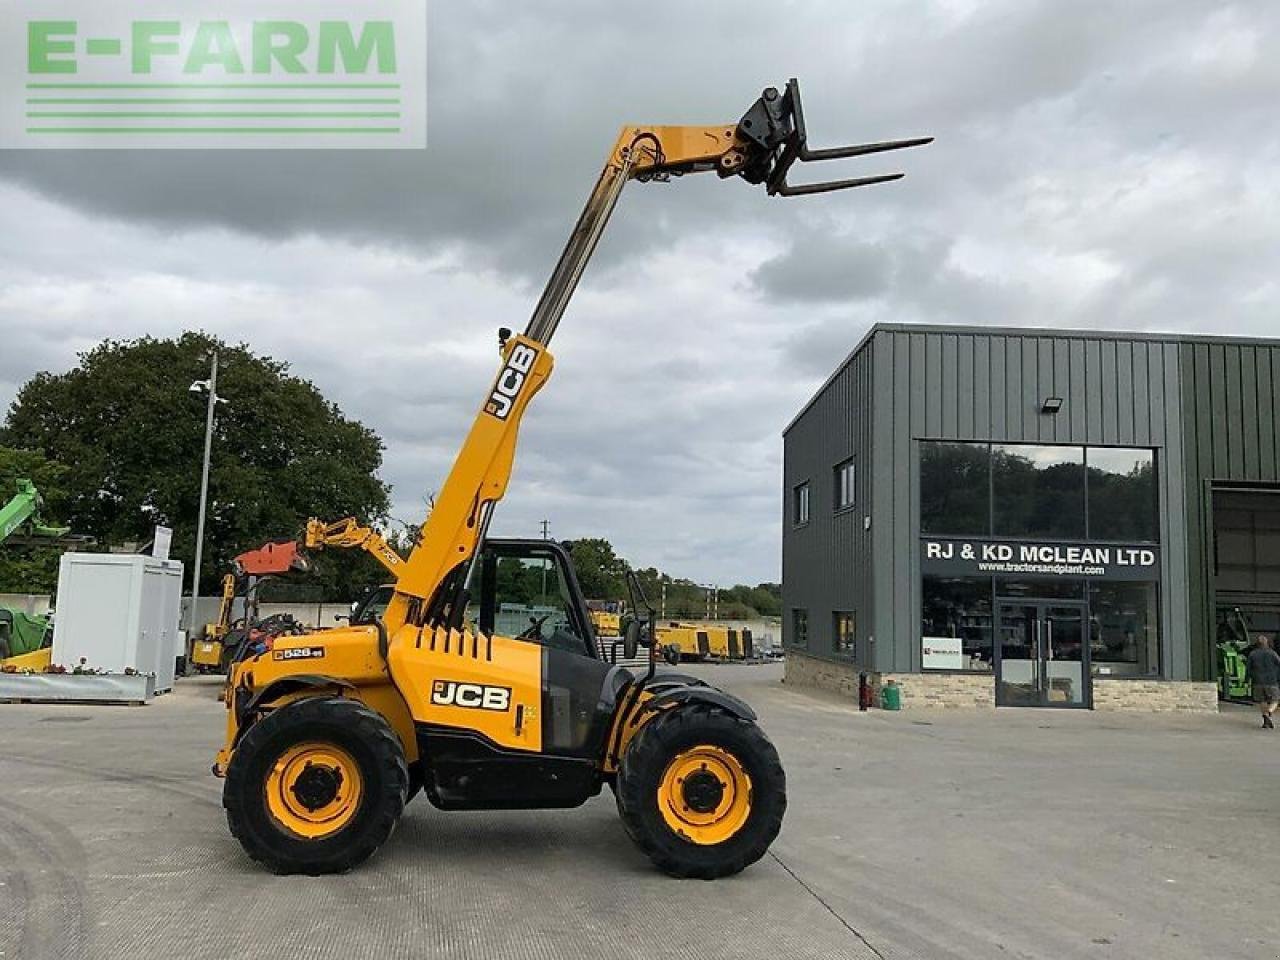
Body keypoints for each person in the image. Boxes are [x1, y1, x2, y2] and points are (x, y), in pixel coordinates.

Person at [1246, 634, 1280, 729]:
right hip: (1271, 681)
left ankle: (1265, 720)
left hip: (1257, 681)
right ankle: (1269, 712)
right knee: (1276, 699)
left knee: (1262, 700)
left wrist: (1247, 680)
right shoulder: (1272, 653)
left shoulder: (1252, 654)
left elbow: (1248, 668)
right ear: (1267, 643)